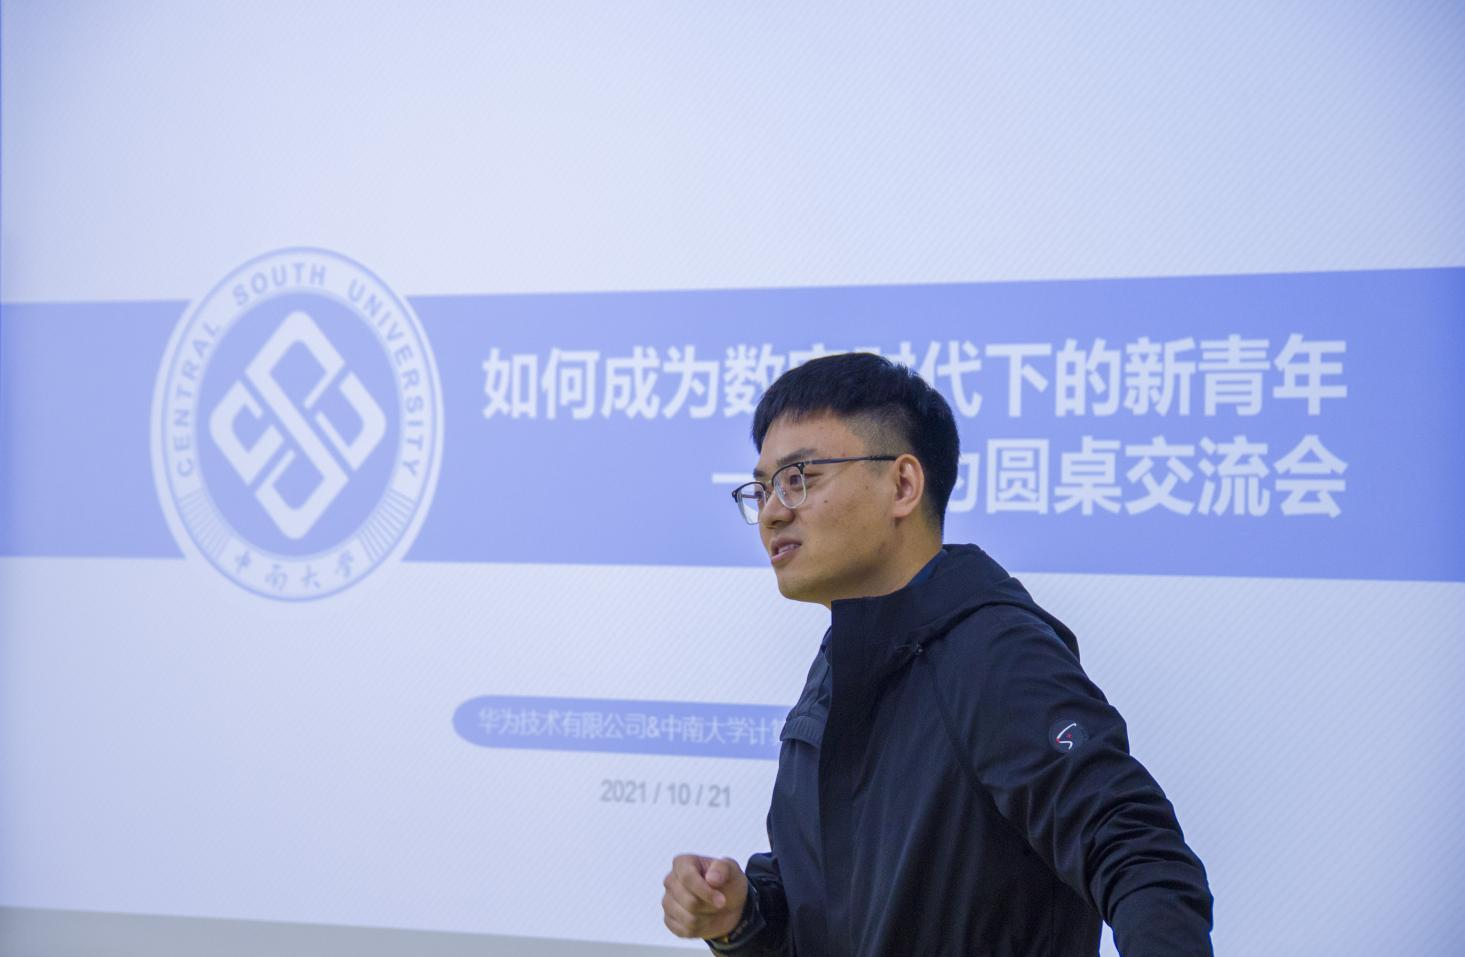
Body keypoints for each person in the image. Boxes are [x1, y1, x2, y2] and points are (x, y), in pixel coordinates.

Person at [660, 352, 1213, 956]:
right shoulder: (841, 662)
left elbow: (1142, 857)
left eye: (799, 478)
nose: (772, 511)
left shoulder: (995, 652)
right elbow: (830, 917)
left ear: (902, 484)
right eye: (764, 487)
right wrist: (741, 915)